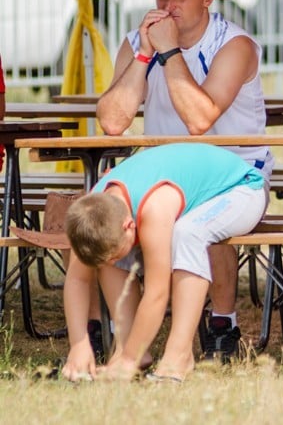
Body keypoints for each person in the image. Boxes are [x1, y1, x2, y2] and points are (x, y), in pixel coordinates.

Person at [96, 0, 273, 362]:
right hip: (164, 177)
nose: (168, 5)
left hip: (235, 174)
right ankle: (130, 345)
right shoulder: (138, 41)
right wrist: (143, 54)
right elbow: (112, 121)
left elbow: (200, 119)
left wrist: (170, 52)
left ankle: (220, 324)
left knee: (193, 224)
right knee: (104, 222)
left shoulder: (236, 44)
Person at [58, 143, 267, 382]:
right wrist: (78, 343)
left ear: (129, 225)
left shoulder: (155, 208)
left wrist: (128, 362)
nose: (114, 262)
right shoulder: (91, 213)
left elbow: (157, 293)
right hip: (180, 193)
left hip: (242, 188)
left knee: (188, 233)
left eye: (116, 255)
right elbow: (76, 278)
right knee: (107, 255)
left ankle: (179, 355)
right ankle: (130, 349)